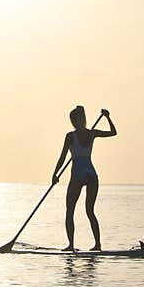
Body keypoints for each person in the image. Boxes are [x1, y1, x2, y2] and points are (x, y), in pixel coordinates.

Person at [52, 106, 117, 251]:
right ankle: (98, 245)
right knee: (90, 210)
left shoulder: (70, 136)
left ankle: (71, 246)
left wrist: (55, 174)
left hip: (78, 174)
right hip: (91, 174)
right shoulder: (92, 133)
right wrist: (107, 117)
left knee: (70, 210)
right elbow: (113, 132)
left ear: (73, 121)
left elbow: (63, 157)